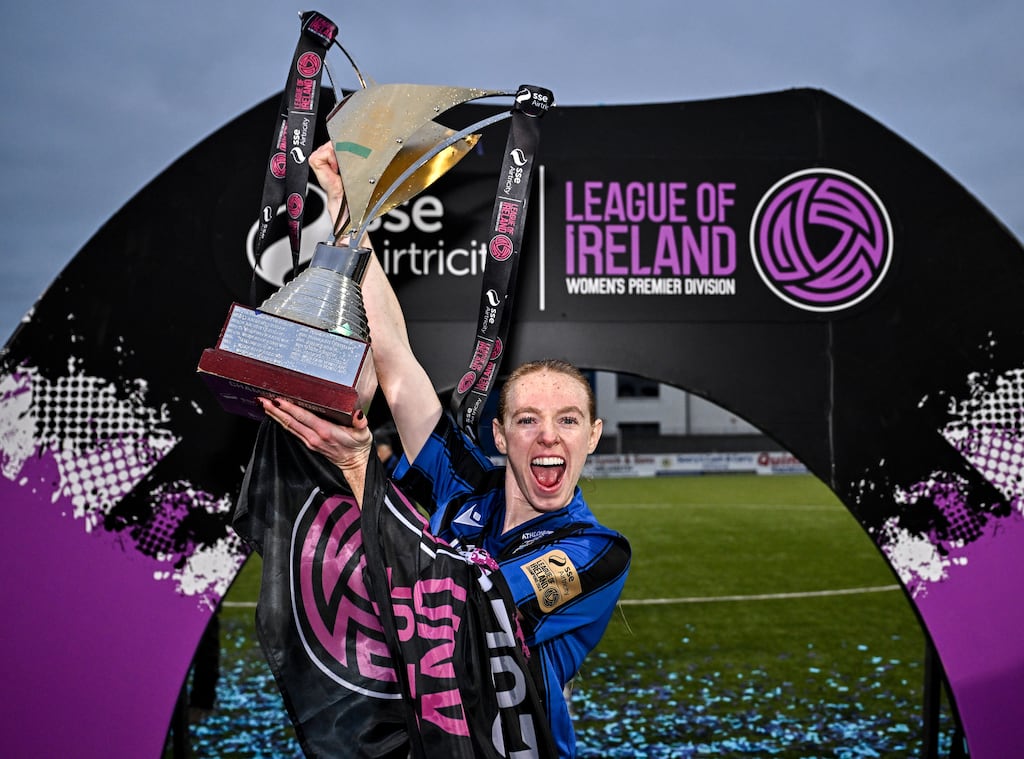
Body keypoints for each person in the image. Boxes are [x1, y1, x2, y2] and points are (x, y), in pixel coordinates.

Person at [258, 142, 630, 758]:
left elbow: (459, 605)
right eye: (528, 419)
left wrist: (357, 467)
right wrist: (345, 203)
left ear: (592, 436)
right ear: (500, 435)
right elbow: (397, 362)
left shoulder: (594, 553)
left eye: (569, 420)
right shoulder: (460, 479)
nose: (548, 436)